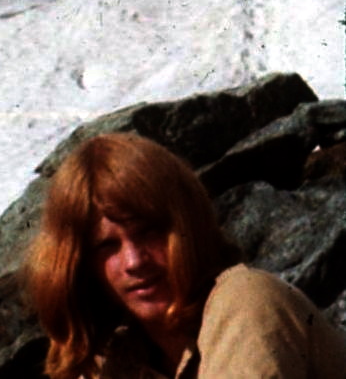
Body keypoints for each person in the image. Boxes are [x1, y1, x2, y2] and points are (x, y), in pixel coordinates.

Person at [23, 132, 346, 379]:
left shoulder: (245, 301)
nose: (135, 261)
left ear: (188, 225)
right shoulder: (119, 355)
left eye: (149, 231)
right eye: (107, 246)